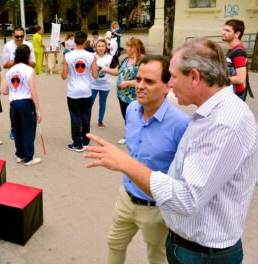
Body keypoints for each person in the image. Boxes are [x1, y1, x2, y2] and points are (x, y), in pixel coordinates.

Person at [84, 38, 258, 264]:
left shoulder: (222, 123)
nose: (171, 85)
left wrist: (124, 163)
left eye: (173, 77)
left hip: (202, 254)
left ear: (194, 77)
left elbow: (187, 198)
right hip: (190, 245)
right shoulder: (211, 115)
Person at [106, 55, 190, 264]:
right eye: (138, 79)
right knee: (114, 244)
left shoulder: (182, 124)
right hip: (125, 198)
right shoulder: (132, 110)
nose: (140, 86)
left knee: (156, 257)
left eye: (149, 81)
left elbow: (185, 175)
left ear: (167, 86)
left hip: (157, 210)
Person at [3, 44, 42, 166]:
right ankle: (29, 158)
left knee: (17, 129)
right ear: (28, 56)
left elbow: (5, 91)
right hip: (26, 102)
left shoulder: (10, 71)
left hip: (14, 103)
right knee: (28, 130)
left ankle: (19, 154)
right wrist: (38, 109)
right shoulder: (29, 70)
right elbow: (32, 90)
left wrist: (16, 88)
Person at [61, 31, 98, 152]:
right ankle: (86, 142)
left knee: (75, 117)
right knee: (86, 117)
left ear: (74, 40)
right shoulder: (92, 56)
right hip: (87, 91)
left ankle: (77, 143)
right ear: (85, 41)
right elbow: (96, 75)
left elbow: (64, 76)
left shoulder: (68, 56)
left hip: (73, 92)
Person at [2, 26, 36, 140]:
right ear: (13, 36)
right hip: (14, 77)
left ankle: (26, 129)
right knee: (14, 103)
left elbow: (33, 64)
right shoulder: (7, 46)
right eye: (17, 36)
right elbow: (5, 65)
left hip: (26, 77)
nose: (19, 39)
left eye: (22, 36)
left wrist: (24, 60)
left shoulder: (29, 45)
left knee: (28, 101)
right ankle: (14, 129)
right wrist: (17, 61)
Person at [111, 37, 146, 145]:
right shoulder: (126, 59)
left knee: (135, 118)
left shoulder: (142, 61)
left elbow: (144, 80)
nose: (128, 48)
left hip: (133, 97)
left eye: (130, 46)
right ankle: (129, 136)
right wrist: (104, 69)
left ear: (136, 47)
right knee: (126, 117)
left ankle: (136, 138)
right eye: (127, 46)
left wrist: (127, 83)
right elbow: (118, 72)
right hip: (122, 95)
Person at [222, 19, 247, 101]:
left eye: (227, 30)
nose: (223, 32)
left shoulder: (238, 52)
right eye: (224, 29)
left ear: (237, 34)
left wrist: (218, 79)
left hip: (235, 96)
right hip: (231, 93)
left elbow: (240, 78)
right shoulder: (233, 49)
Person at [91, 39, 113, 129]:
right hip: (93, 84)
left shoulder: (110, 57)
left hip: (105, 85)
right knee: (89, 103)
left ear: (106, 47)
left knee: (102, 103)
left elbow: (115, 70)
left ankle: (100, 121)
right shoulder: (92, 56)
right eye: (99, 46)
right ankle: (85, 120)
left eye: (103, 46)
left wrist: (106, 69)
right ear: (96, 47)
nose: (101, 48)